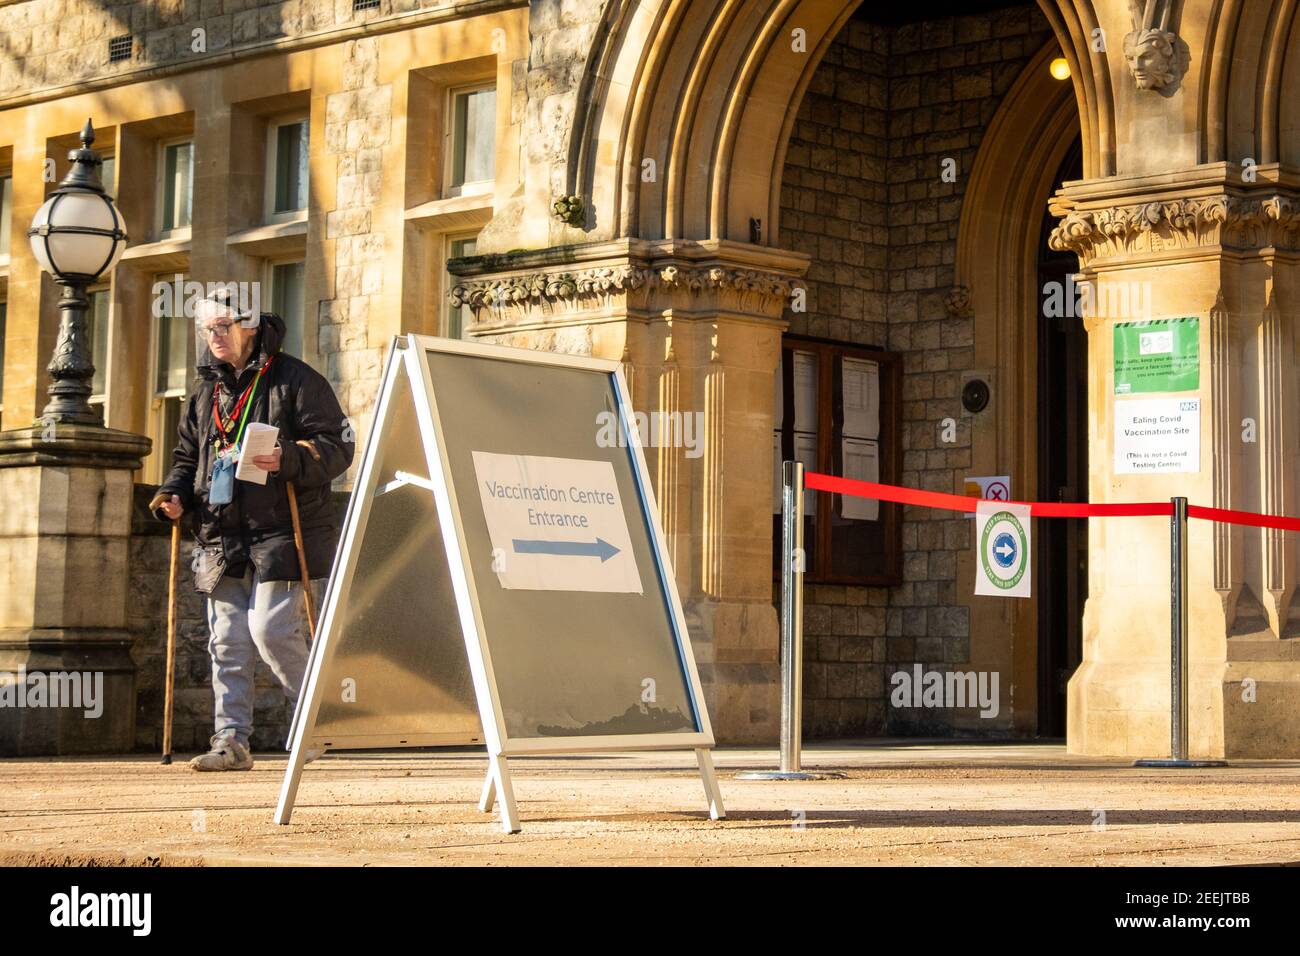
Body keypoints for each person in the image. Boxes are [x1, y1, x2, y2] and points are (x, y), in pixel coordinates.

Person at [149, 291, 355, 771]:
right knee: (226, 640)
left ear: (249, 325)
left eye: (224, 326)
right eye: (208, 329)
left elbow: (337, 445)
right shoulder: (205, 393)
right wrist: (172, 496)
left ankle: (316, 724)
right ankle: (231, 741)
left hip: (283, 529)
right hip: (221, 532)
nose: (215, 337)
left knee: (270, 629)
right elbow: (186, 460)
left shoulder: (296, 378)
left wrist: (288, 458)